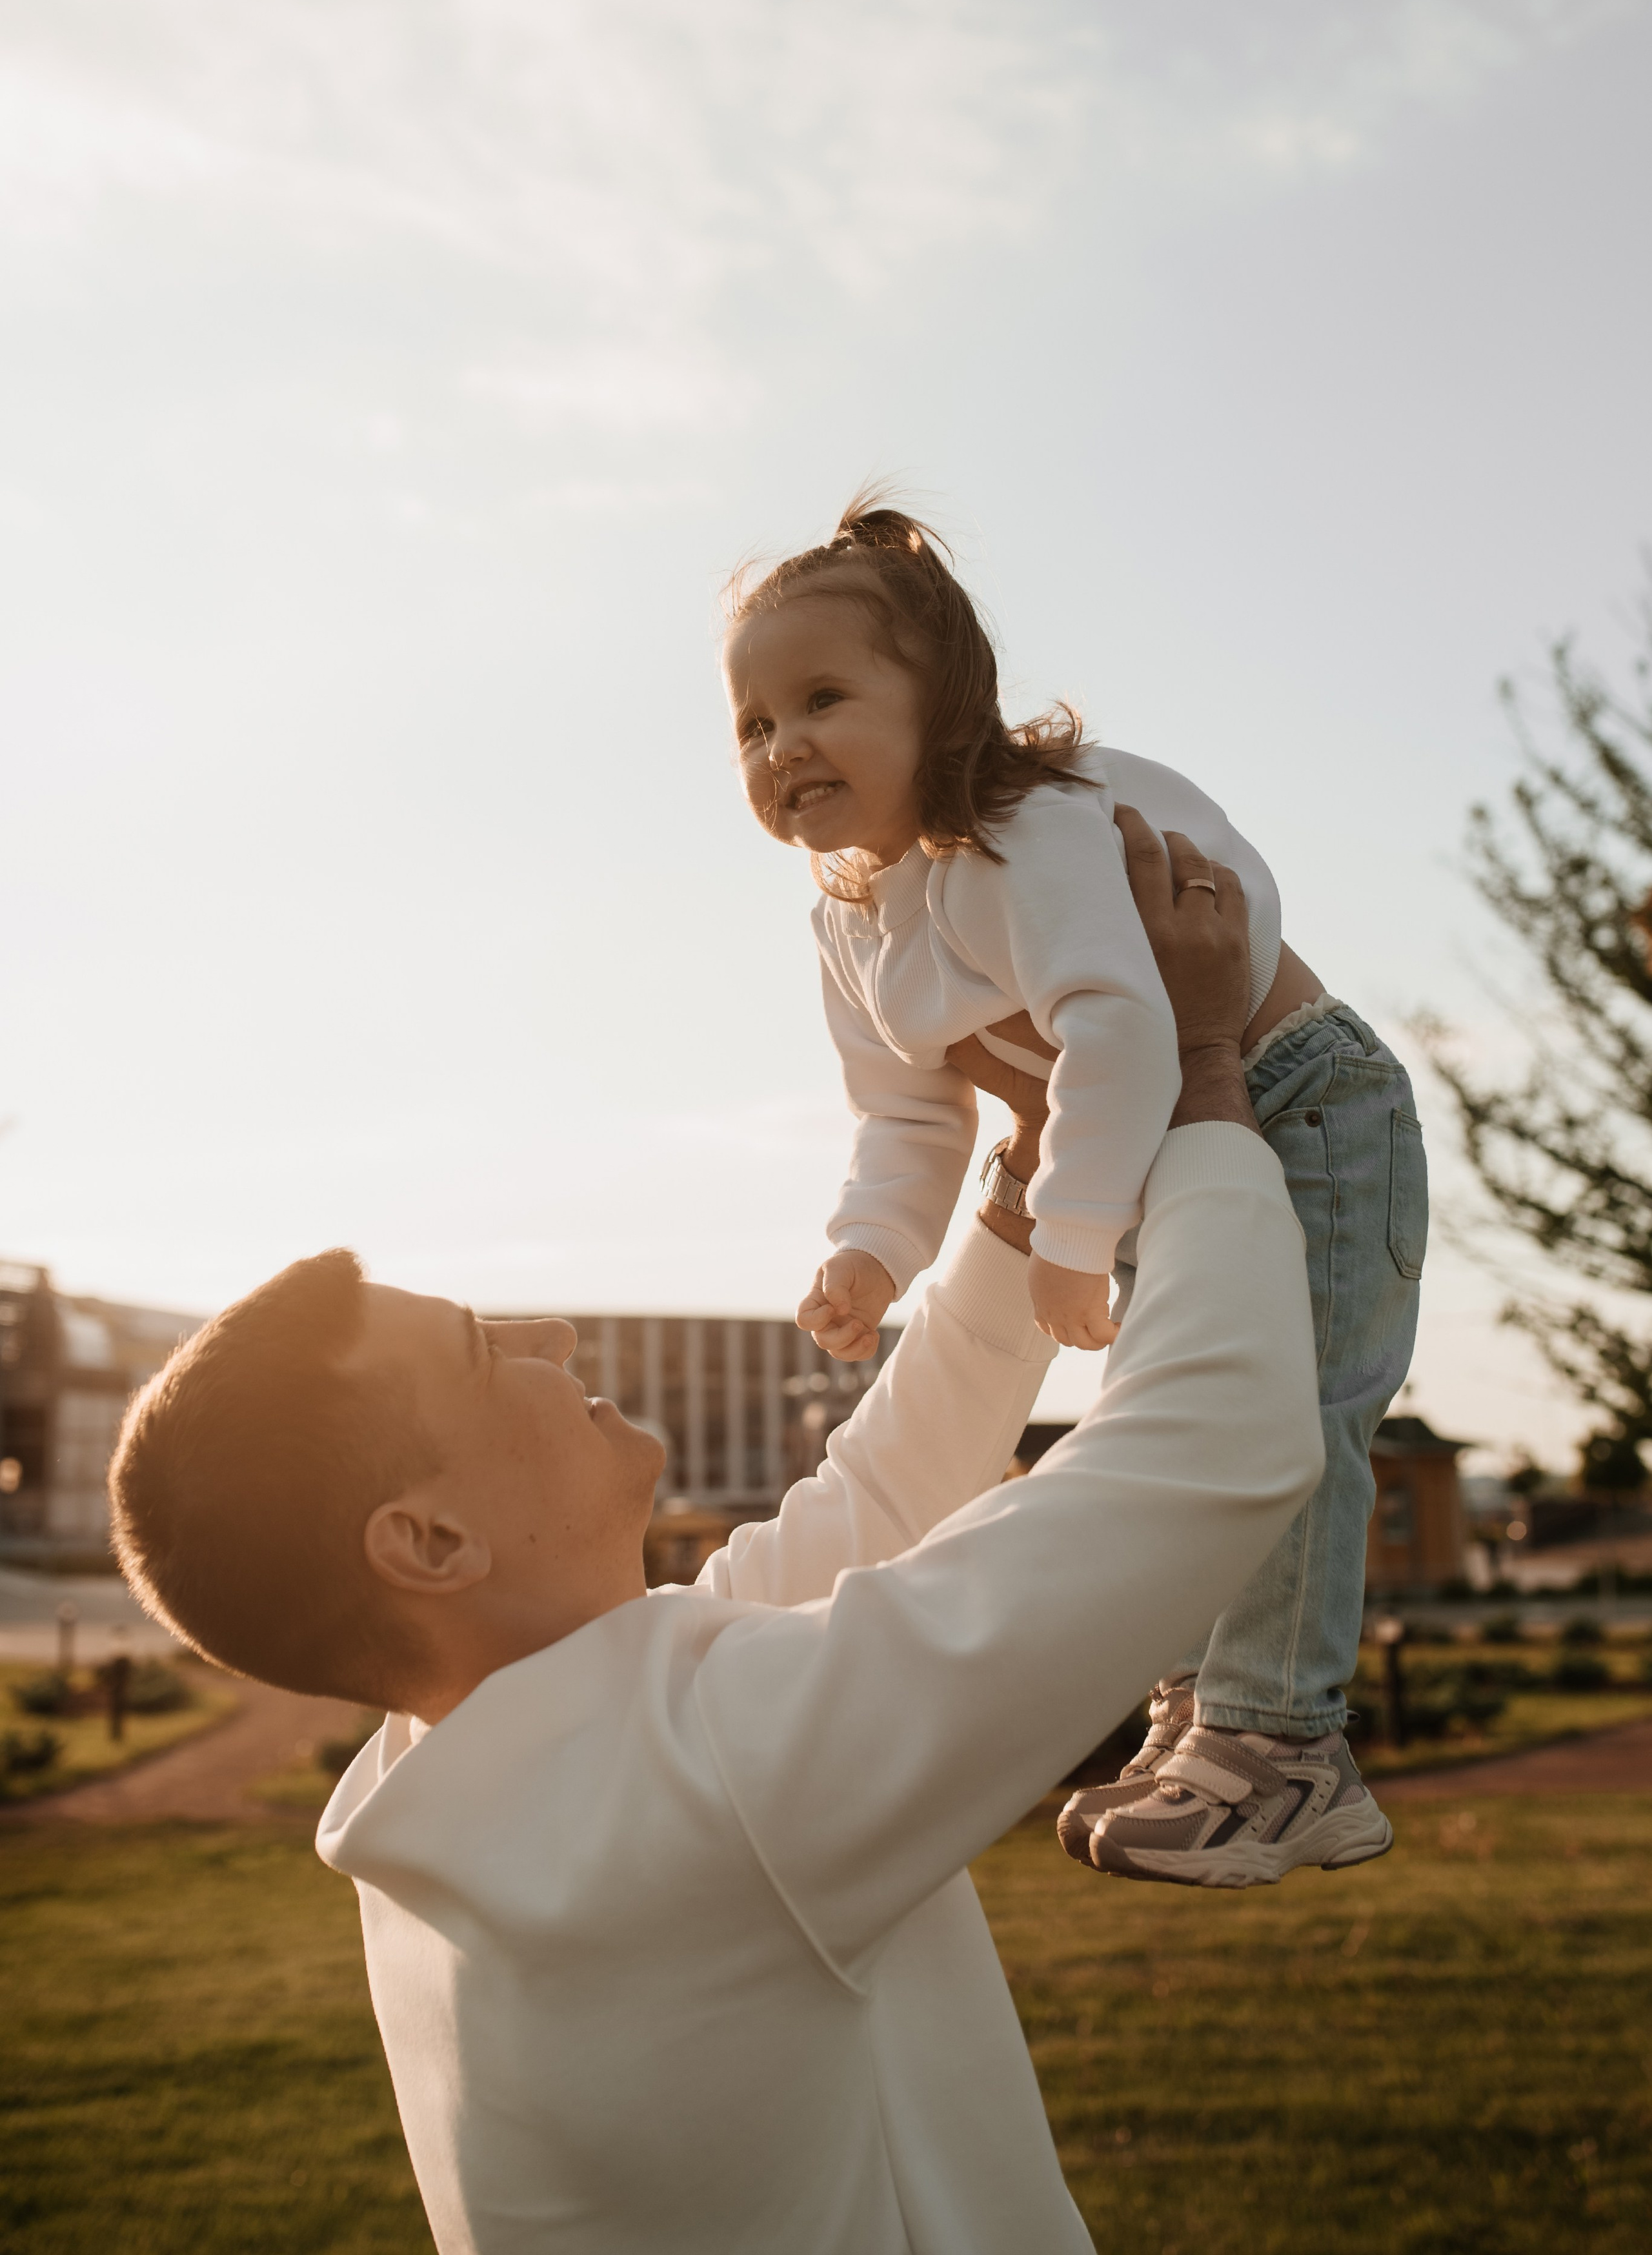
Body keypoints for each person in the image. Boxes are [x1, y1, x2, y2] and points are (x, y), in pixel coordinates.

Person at [109, 824, 1321, 2255]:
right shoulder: (699, 1782)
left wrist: (1021, 1183)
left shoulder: (510, 1769)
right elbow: (1211, 1447)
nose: (549, 1332)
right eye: (480, 1348)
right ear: (429, 1540)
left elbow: (877, 1503)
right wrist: (1192, 1080)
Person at [723, 494, 1427, 1887]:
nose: (782, 742)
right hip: (1144, 1141)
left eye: (820, 698)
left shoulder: (1018, 834)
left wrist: (1070, 1234)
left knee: (1293, 1411)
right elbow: (907, 1114)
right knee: (1173, 1413)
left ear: (945, 708)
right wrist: (869, 1249)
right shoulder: (851, 918)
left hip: (1296, 1099)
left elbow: (1120, 1025)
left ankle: (1283, 1747)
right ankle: (1202, 1716)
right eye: (749, 723)